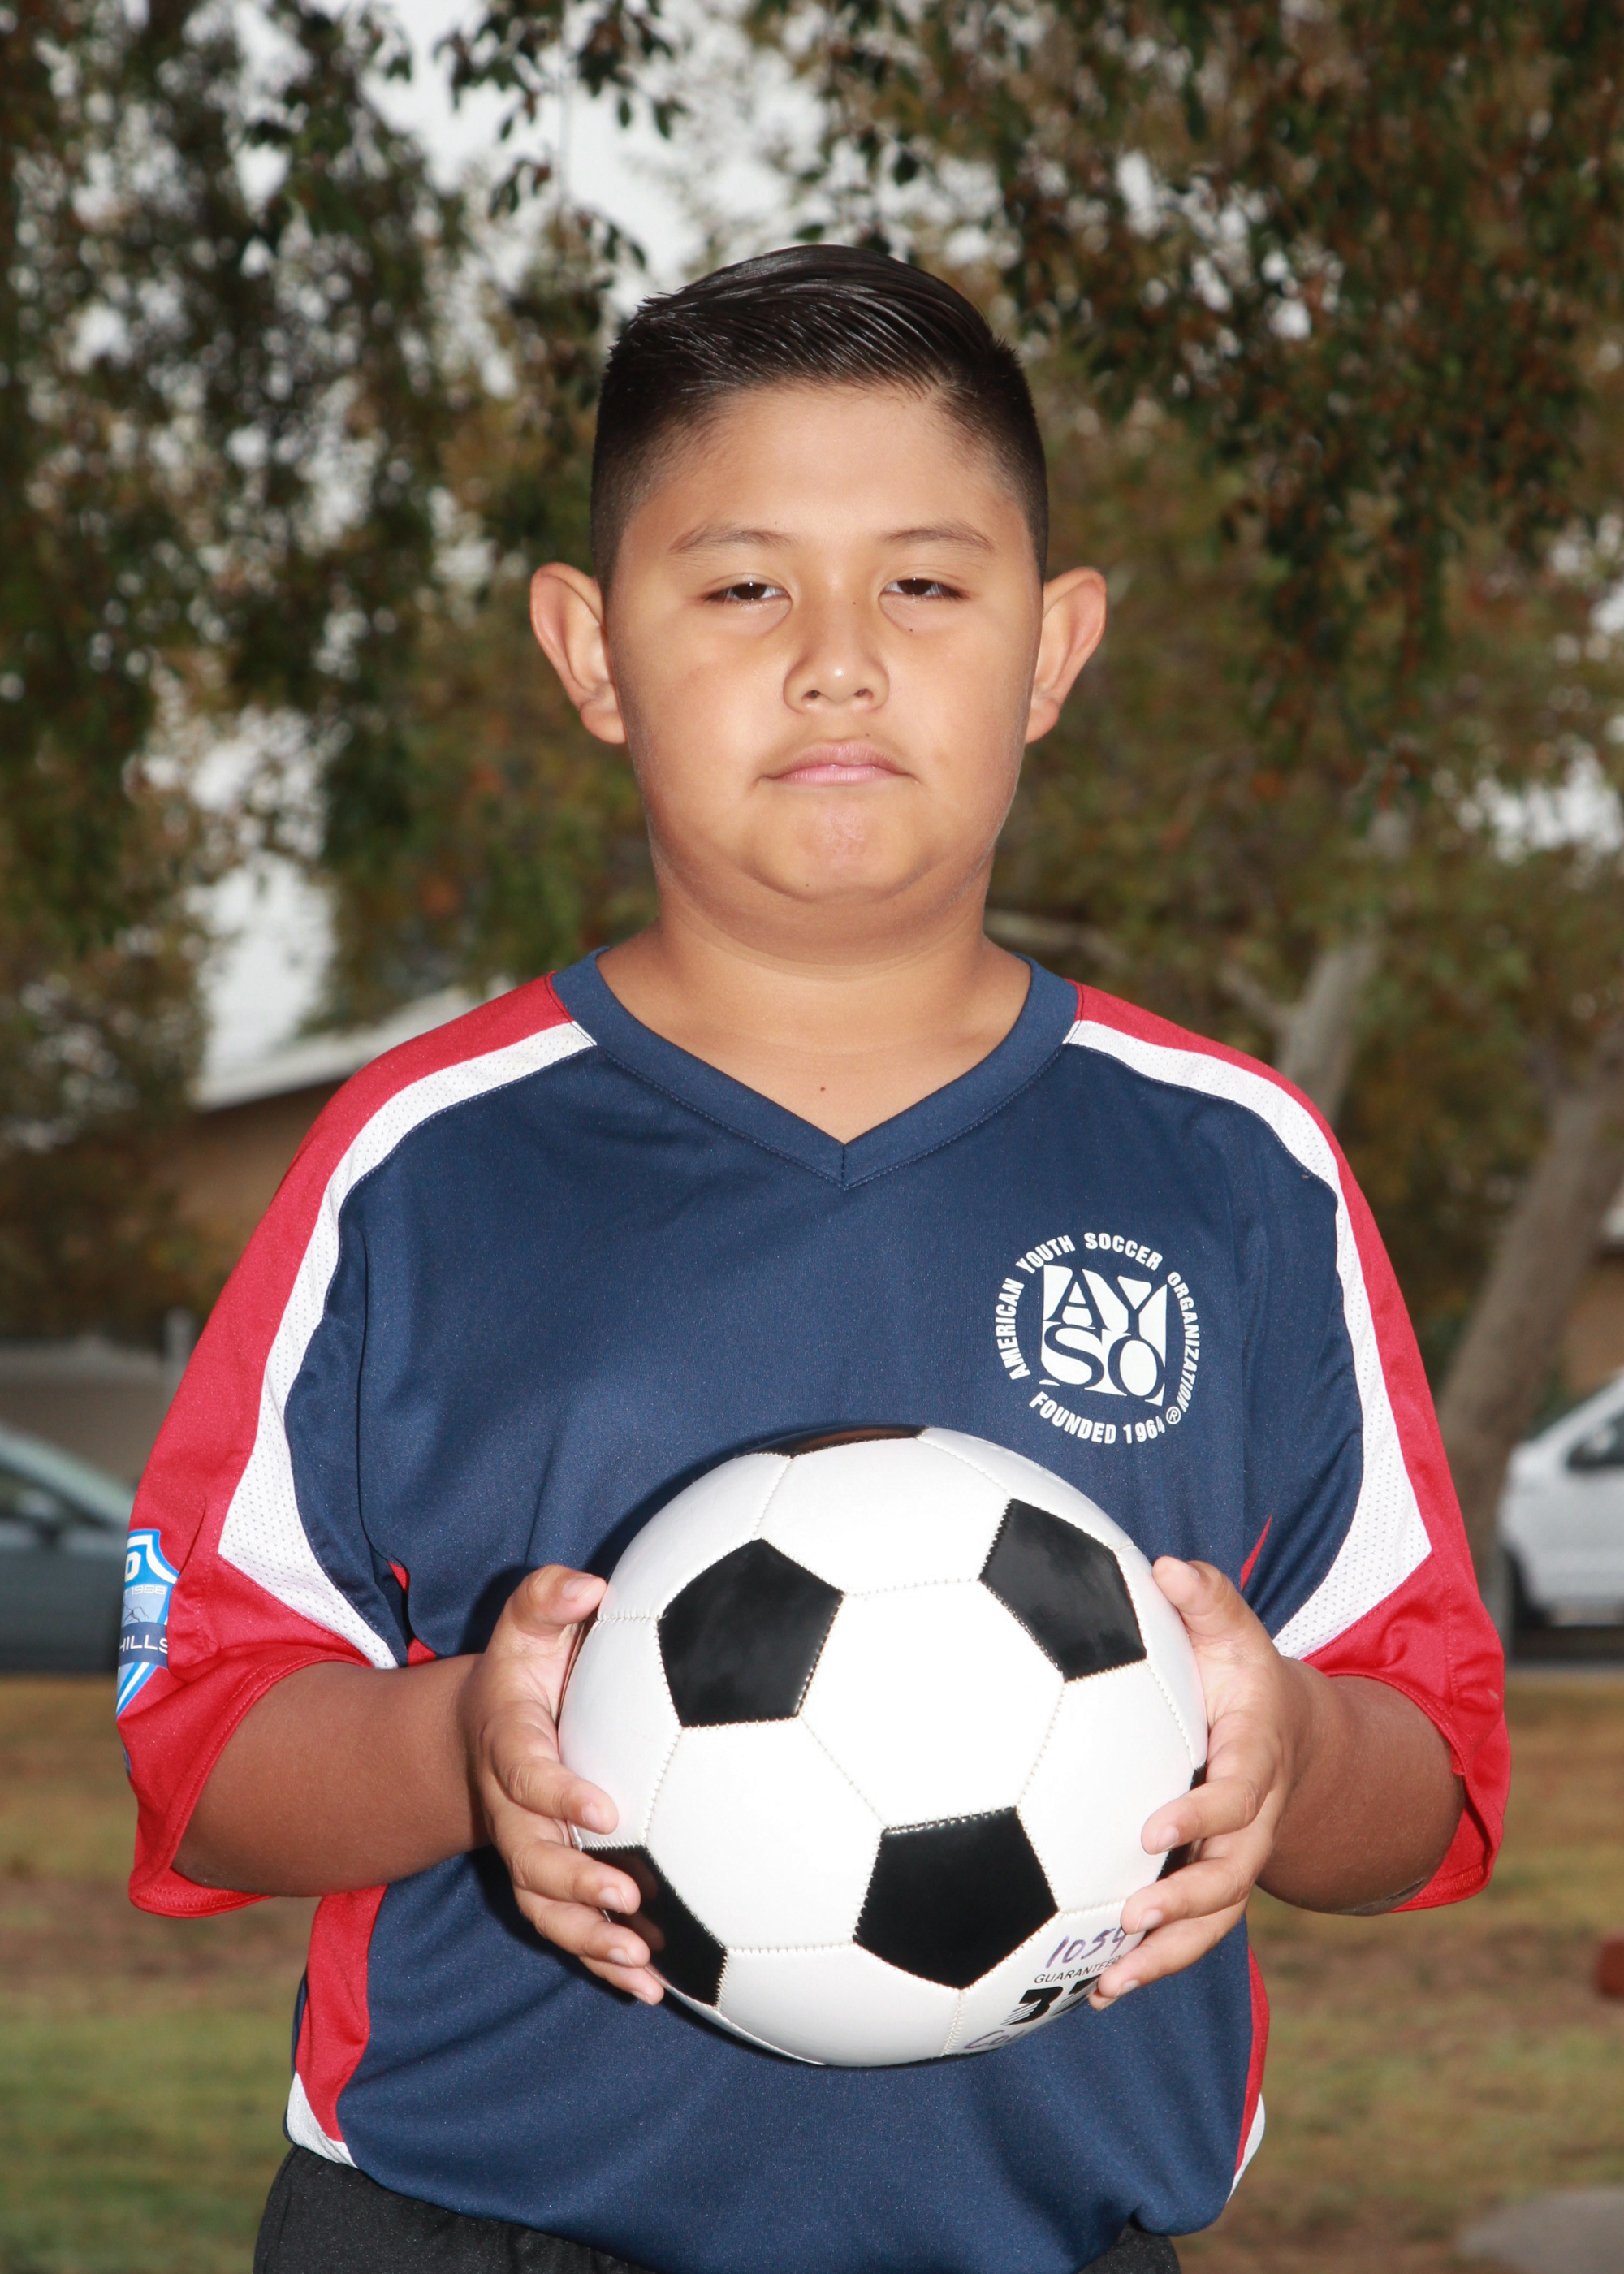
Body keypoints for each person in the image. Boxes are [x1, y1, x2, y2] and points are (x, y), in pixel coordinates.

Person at [120, 247, 1509, 2274]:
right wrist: (462, 1744)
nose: (838, 662)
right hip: (466, 2230)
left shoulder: (1236, 1166)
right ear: (591, 648)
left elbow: (1434, 1772)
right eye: (744, 588)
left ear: (1054, 646)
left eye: (925, 584)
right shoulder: (417, 1161)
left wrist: (1284, 1749)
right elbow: (202, 1744)